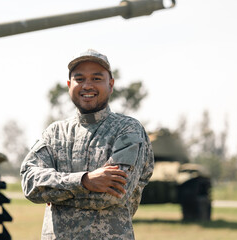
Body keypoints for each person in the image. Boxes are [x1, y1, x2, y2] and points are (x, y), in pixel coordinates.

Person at [20, 49, 154, 240]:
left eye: (97, 78)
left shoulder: (128, 130)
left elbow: (112, 194)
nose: (87, 85)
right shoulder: (54, 133)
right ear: (69, 85)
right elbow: (30, 184)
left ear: (111, 84)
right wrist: (84, 181)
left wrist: (55, 194)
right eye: (80, 79)